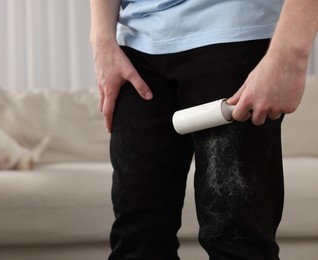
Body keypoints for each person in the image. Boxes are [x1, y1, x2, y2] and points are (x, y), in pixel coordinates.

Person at [89, 0, 318, 259]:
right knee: (136, 240)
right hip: (134, 48)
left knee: (237, 240)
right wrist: (101, 39)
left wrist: (290, 56)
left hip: (234, 33)